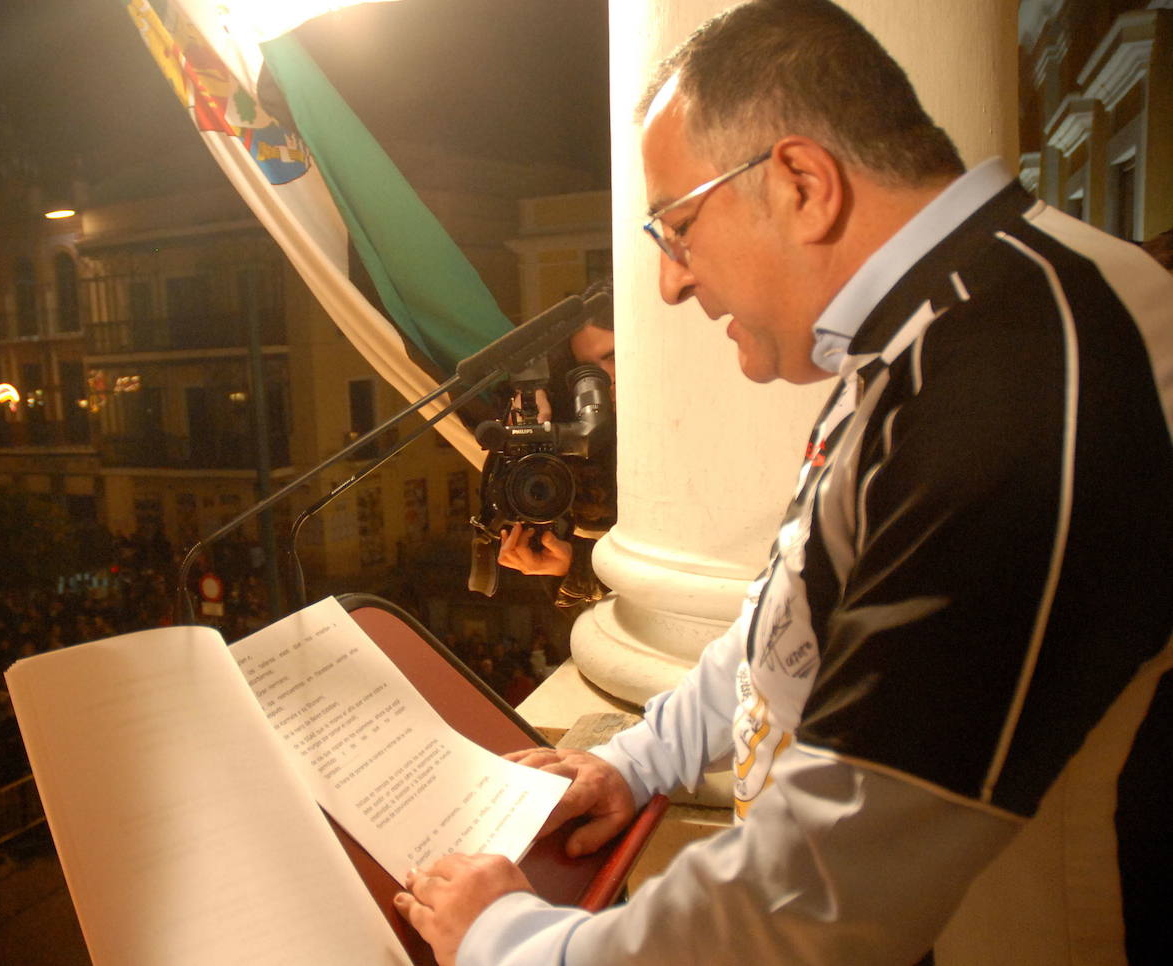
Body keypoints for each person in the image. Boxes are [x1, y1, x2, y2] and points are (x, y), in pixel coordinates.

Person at [393, 2, 1173, 964]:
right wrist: (636, 762)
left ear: (803, 182)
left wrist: (510, 941)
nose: (672, 283)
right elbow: (791, 617)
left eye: (678, 227)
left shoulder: (1019, 367)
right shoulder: (946, 320)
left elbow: (825, 894)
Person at [497, 279, 618, 609]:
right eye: (587, 370)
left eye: (611, 357)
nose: (602, 381)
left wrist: (577, 570)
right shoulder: (582, 439)